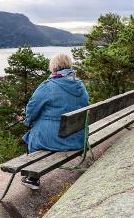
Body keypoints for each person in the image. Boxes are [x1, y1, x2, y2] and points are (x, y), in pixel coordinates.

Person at [21, 53, 89, 190]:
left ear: (53, 67)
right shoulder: (79, 85)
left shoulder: (48, 86)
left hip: (55, 140)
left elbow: (32, 109)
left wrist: (29, 123)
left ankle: (32, 177)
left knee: (32, 135)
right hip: (77, 138)